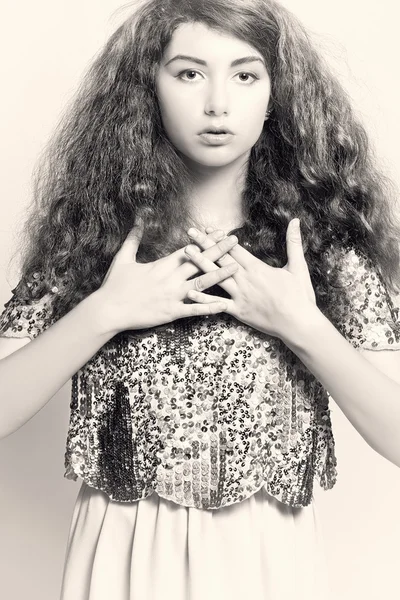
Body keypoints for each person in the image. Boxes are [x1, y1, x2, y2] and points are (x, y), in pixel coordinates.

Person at [1, 0, 400, 598]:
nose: (218, 102)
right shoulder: (100, 240)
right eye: (189, 73)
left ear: (276, 93)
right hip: (121, 552)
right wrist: (106, 311)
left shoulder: (322, 247)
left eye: (246, 74)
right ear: (148, 88)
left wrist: (302, 326)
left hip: (268, 556)